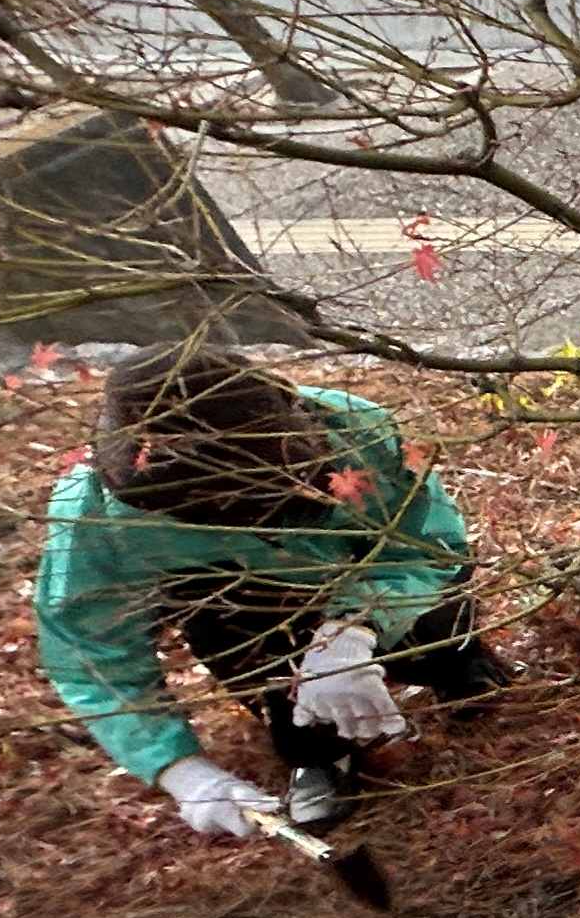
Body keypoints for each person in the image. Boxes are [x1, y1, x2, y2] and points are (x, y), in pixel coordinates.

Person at [34, 346, 508, 840]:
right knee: (221, 617)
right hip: (254, 614)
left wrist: (352, 628)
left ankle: (458, 663)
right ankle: (317, 750)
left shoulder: (352, 428)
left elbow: (428, 543)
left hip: (368, 577)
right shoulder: (94, 515)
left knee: (441, 619)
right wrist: (182, 772)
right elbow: (88, 650)